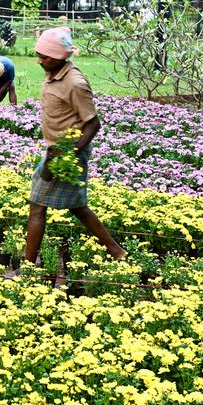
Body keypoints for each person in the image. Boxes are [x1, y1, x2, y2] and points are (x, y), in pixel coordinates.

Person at [24, 27, 126, 267]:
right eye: (38, 55)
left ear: (61, 57)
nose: (40, 61)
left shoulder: (75, 83)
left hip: (67, 153)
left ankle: (27, 268)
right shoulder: (54, 71)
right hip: (56, 151)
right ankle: (117, 252)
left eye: (45, 57)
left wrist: (69, 154)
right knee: (78, 207)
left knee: (38, 206)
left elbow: (93, 124)